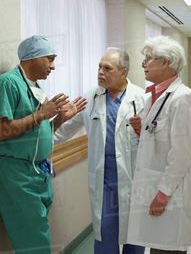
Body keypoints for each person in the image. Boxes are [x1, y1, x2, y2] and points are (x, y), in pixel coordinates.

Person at [0, 35, 86, 254]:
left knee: (35, 236)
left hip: (37, 171)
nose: (53, 66)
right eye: (49, 59)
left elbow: (36, 133)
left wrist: (59, 120)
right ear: (32, 57)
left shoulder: (34, 86)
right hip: (16, 174)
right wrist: (40, 115)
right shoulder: (7, 84)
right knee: (34, 244)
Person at [54, 47, 146, 254]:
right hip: (104, 182)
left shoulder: (142, 99)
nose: (100, 72)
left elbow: (154, 141)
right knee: (104, 233)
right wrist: (34, 143)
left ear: (123, 72)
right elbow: (60, 133)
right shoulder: (90, 98)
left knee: (135, 236)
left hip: (134, 179)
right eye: (99, 67)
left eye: (107, 68)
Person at [127, 36, 191, 254]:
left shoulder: (184, 98)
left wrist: (163, 194)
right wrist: (142, 131)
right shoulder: (154, 97)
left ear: (165, 62)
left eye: (148, 59)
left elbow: (181, 154)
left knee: (168, 249)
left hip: (170, 192)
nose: (144, 65)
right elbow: (160, 139)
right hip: (154, 184)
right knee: (157, 247)